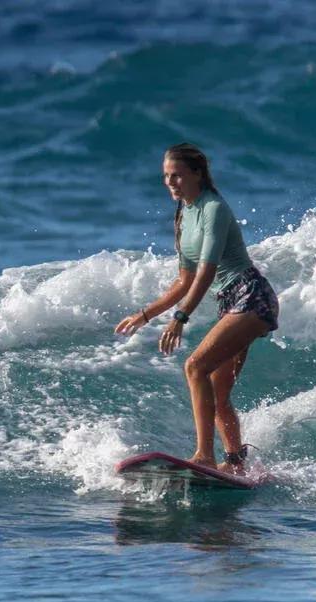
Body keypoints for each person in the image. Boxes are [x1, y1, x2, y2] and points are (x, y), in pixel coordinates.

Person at [114, 143, 278, 473]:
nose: (170, 182)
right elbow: (185, 280)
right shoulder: (185, 215)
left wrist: (180, 317)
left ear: (197, 174)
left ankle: (203, 455)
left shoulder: (213, 208)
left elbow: (206, 270)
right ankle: (235, 463)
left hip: (251, 296)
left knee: (195, 367)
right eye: (166, 177)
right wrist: (146, 314)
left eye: (176, 175)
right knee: (218, 391)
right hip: (231, 302)